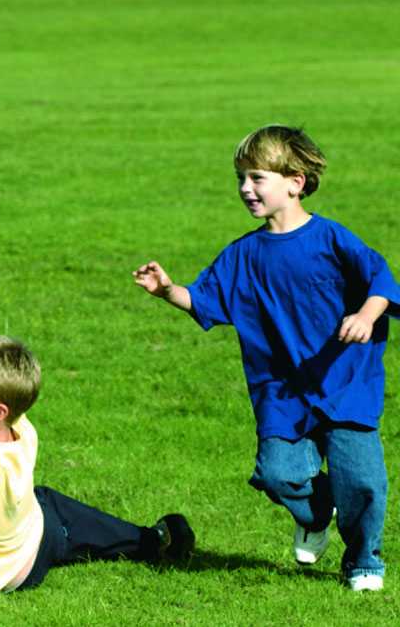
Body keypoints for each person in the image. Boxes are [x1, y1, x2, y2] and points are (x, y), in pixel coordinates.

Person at [132, 125, 400, 592]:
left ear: (295, 182)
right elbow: (205, 300)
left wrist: (365, 313)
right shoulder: (243, 255)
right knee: (278, 474)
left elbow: (381, 278)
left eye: (257, 178)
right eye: (240, 178)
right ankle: (316, 515)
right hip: (281, 391)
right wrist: (168, 291)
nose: (245, 189)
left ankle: (363, 562)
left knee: (361, 482)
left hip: (344, 381)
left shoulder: (332, 239)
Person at [0, 238, 195, 603]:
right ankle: (153, 540)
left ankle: (150, 542)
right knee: (54, 508)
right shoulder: (18, 424)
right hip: (36, 532)